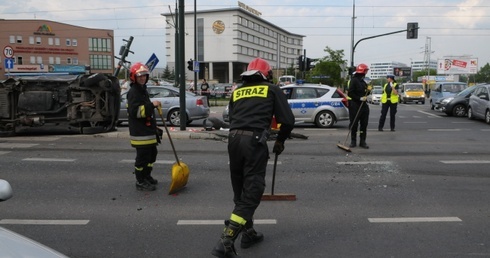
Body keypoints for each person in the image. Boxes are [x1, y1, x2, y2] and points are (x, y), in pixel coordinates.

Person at [211, 57, 295, 258]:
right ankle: (227, 240)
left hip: (233, 140)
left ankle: (248, 233)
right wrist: (280, 141)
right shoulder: (272, 89)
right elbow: (288, 121)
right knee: (253, 190)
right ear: (267, 75)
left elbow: (233, 117)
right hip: (254, 143)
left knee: (240, 189)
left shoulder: (237, 91)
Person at [127, 62, 162, 191]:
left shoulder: (142, 90)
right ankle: (140, 181)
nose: (142, 78)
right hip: (140, 133)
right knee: (142, 158)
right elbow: (135, 112)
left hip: (148, 130)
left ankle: (147, 176)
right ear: (134, 77)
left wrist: (155, 128)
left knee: (152, 154)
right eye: (140, 76)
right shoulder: (133, 92)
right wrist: (151, 105)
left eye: (144, 76)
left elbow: (147, 114)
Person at [347, 63, 371, 149]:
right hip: (355, 105)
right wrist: (359, 98)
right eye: (366, 70)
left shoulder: (363, 81)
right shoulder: (354, 80)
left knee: (364, 124)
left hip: (363, 106)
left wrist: (368, 90)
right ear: (362, 71)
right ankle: (353, 141)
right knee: (354, 124)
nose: (366, 72)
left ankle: (362, 141)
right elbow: (350, 93)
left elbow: (365, 93)